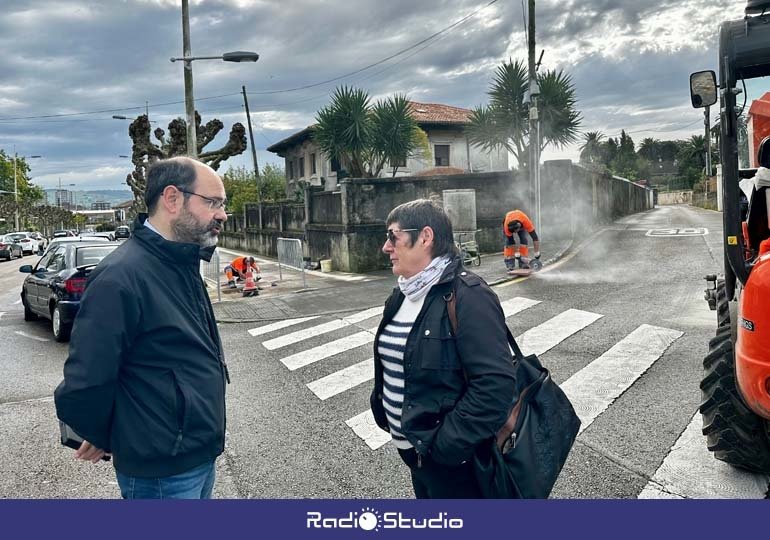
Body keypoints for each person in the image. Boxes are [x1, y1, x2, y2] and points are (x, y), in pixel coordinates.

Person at [54, 156, 230, 499]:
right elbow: (87, 378)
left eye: (222, 205)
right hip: (162, 470)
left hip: (197, 454)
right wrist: (100, 431)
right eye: (212, 202)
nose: (222, 214)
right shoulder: (121, 276)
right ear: (172, 199)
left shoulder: (179, 262)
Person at [371, 199, 517, 498]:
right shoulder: (401, 295)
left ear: (425, 237)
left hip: (453, 465)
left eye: (392, 236)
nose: (386, 247)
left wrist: (445, 446)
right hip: (416, 456)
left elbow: (495, 385)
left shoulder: (469, 297)